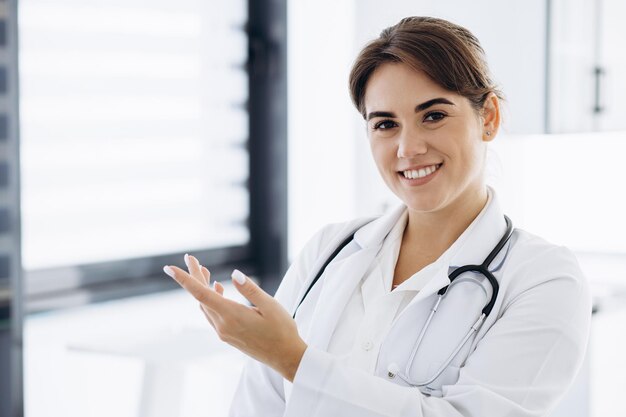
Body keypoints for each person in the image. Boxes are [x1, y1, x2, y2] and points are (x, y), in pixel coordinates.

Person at [162, 16, 591, 417]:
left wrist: (291, 358)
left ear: (489, 118)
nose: (408, 148)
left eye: (434, 116)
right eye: (385, 124)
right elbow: (259, 405)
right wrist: (278, 356)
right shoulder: (330, 251)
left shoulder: (544, 278)